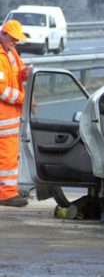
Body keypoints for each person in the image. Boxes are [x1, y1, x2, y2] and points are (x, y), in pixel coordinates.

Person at [0, 20, 32, 207]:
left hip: (9, 118)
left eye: (17, 40)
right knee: (7, 157)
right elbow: (2, 89)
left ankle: (6, 191)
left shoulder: (11, 53)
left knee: (8, 157)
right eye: (13, 39)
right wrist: (23, 98)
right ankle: (6, 194)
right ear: (3, 35)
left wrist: (25, 73)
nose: (16, 42)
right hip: (4, 119)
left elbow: (18, 71)